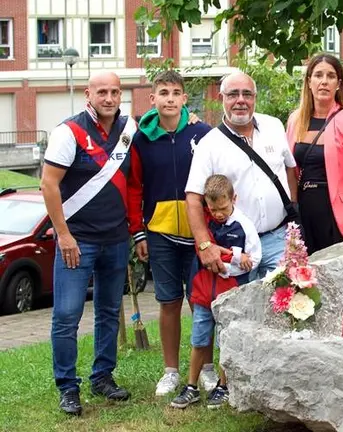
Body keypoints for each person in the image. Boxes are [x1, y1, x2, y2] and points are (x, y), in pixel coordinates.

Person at [41, 71, 135, 415]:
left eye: (114, 92)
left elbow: (159, 123)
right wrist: (63, 235)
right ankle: (67, 387)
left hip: (115, 239)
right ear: (88, 94)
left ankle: (103, 377)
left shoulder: (128, 129)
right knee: (66, 316)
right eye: (102, 92)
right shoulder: (69, 132)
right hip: (76, 242)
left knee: (109, 312)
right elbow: (49, 185)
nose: (109, 98)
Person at [126, 70, 214, 396]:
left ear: (184, 98)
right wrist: (139, 232)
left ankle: (204, 367)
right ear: (153, 99)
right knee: (168, 301)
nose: (170, 99)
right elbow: (134, 187)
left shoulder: (202, 133)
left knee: (201, 302)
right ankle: (171, 371)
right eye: (163, 93)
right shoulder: (142, 139)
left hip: (198, 231)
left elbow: (214, 180)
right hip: (159, 232)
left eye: (176, 93)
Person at [186, 70, 298, 280]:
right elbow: (193, 198)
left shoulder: (274, 126)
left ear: (255, 97)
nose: (240, 100)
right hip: (236, 247)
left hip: (278, 239)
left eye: (247, 94)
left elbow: (290, 168)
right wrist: (204, 245)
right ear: (221, 99)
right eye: (233, 94)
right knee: (242, 311)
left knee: (287, 305)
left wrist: (293, 209)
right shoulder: (209, 144)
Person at [172, 174, 261, 409]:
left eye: (222, 208)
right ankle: (191, 386)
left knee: (226, 339)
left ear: (234, 199)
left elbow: (253, 258)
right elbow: (205, 248)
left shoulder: (244, 225)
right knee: (199, 337)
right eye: (213, 209)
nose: (218, 214)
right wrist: (233, 255)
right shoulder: (204, 223)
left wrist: (233, 260)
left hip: (230, 292)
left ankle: (223, 386)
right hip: (203, 291)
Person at [285, 54, 343, 254]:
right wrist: (292, 212)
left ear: (338, 84)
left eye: (330, 76)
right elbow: (289, 169)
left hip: (336, 213)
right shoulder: (295, 120)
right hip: (303, 211)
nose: (324, 81)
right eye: (318, 75)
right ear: (309, 82)